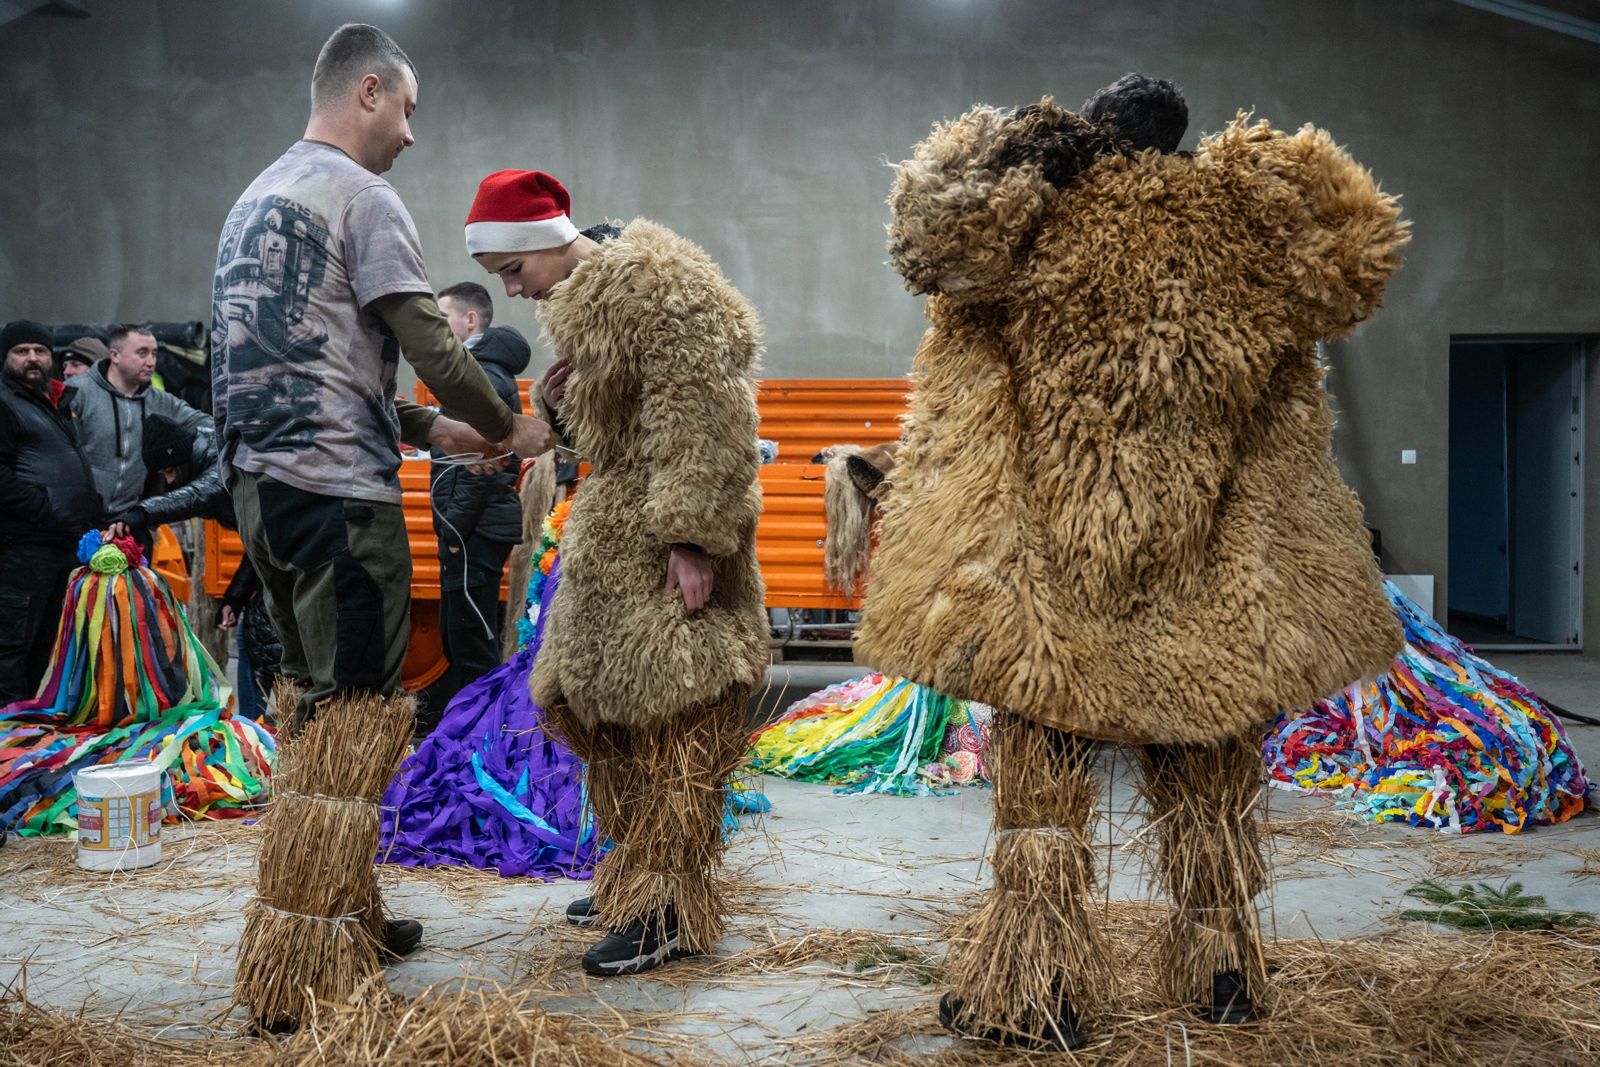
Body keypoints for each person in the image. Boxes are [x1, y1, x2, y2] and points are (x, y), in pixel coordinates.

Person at [855, 76, 1408, 1049]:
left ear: (1087, 134)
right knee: (1207, 776)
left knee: (1042, 792)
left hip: (1047, 572)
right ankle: (1221, 965)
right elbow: (1353, 260)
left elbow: (927, 242)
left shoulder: (1028, 233)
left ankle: (1036, 982)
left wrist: (1014, 146)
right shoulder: (1245, 246)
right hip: (1205, 573)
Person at [213, 23, 552, 994]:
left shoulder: (259, 197)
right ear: (367, 91)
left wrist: (431, 431)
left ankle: (344, 905)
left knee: (315, 711)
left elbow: (304, 369)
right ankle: (306, 956)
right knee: (356, 713)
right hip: (337, 501)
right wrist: (510, 427)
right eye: (407, 110)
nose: (410, 134)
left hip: (265, 497)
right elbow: (440, 352)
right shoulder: (365, 197)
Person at [466, 169, 767, 975]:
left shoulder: (655, 284)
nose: (515, 289)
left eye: (511, 271)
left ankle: (667, 903)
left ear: (536, 241)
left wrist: (694, 536)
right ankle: (634, 872)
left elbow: (706, 408)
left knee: (673, 719)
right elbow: (611, 422)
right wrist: (564, 396)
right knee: (605, 715)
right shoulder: (590, 302)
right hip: (616, 534)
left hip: (665, 536)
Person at [429, 282, 529, 709]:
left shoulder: (480, 375)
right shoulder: (481, 371)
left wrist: (453, 528)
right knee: (465, 637)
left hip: (472, 531)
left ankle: (482, 734)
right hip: (475, 528)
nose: (435, 330)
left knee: (470, 642)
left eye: (442, 318)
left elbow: (478, 465)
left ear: (470, 320)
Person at [0, 320, 102, 705]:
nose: (32, 358)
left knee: (50, 647)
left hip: (61, 548)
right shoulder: (6, 403)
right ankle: (9, 738)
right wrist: (43, 509)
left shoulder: (53, 402)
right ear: (5, 357)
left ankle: (35, 734)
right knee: (12, 649)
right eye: (21, 351)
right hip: (21, 548)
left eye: (39, 351)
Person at [67, 324, 212, 533]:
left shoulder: (160, 401)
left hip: (128, 523)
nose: (151, 361)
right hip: (79, 522)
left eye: (154, 353)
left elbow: (201, 422)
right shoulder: (79, 392)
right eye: (142, 353)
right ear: (115, 355)